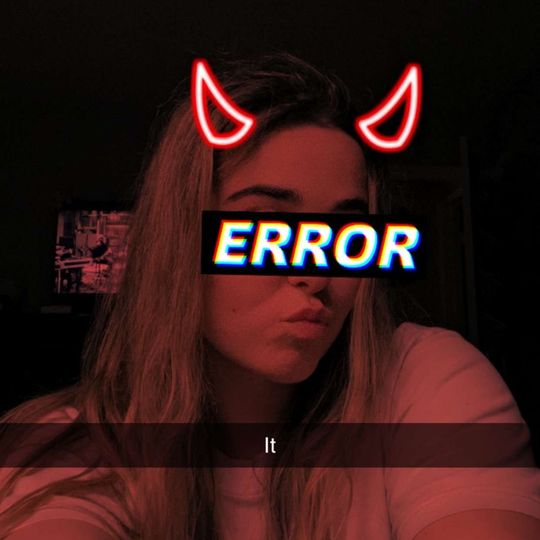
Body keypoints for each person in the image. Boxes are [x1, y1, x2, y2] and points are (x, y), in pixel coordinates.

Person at [1, 53, 540, 540]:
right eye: (265, 227)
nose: (314, 272)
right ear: (178, 240)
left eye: (346, 236)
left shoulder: (424, 378)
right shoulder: (60, 447)